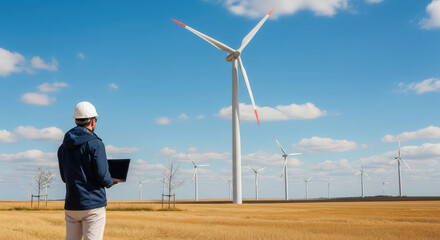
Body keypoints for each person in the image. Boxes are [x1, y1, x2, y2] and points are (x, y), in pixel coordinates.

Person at [58, 101, 117, 240]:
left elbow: (64, 177)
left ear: (76, 120)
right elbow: (102, 175)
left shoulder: (63, 147)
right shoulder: (96, 143)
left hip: (72, 204)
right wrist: (110, 181)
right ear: (92, 121)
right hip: (93, 205)